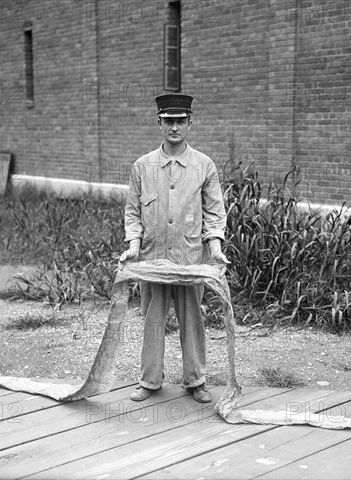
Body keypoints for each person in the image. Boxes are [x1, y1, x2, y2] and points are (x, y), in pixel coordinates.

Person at [119, 93, 230, 403]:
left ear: (190, 124)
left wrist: (215, 246)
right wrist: (133, 245)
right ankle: (149, 381)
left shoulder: (204, 165)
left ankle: (196, 381)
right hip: (153, 259)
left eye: (181, 121)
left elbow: (214, 213)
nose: (175, 127)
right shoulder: (142, 167)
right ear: (159, 123)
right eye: (168, 121)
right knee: (153, 320)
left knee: (192, 320)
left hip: (190, 260)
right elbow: (132, 213)